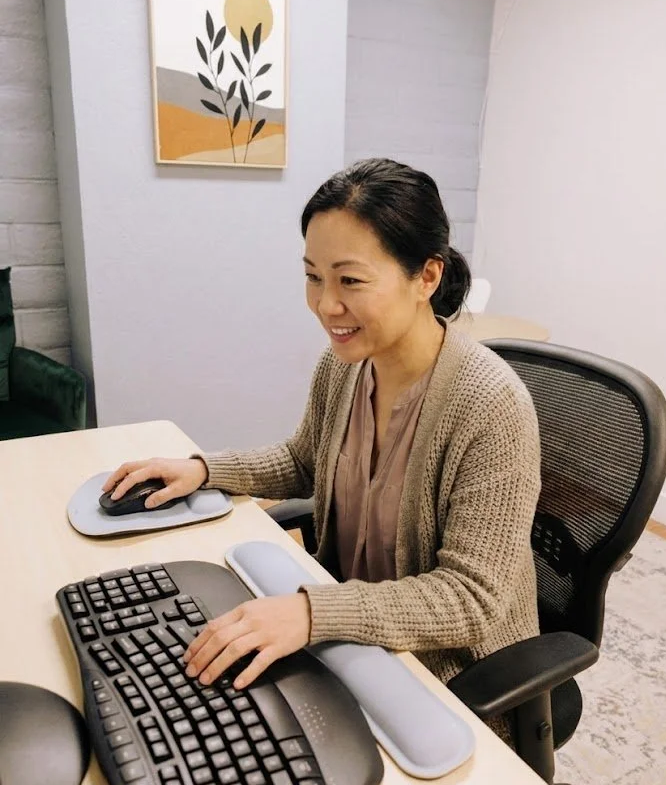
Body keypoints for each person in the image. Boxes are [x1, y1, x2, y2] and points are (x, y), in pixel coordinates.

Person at [104, 158, 541, 739]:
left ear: (426, 277)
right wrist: (203, 470)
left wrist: (313, 612)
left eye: (350, 280)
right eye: (313, 277)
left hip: (453, 678)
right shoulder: (346, 369)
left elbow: (471, 599)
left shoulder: (489, 406)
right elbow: (305, 461)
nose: (325, 305)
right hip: (353, 637)